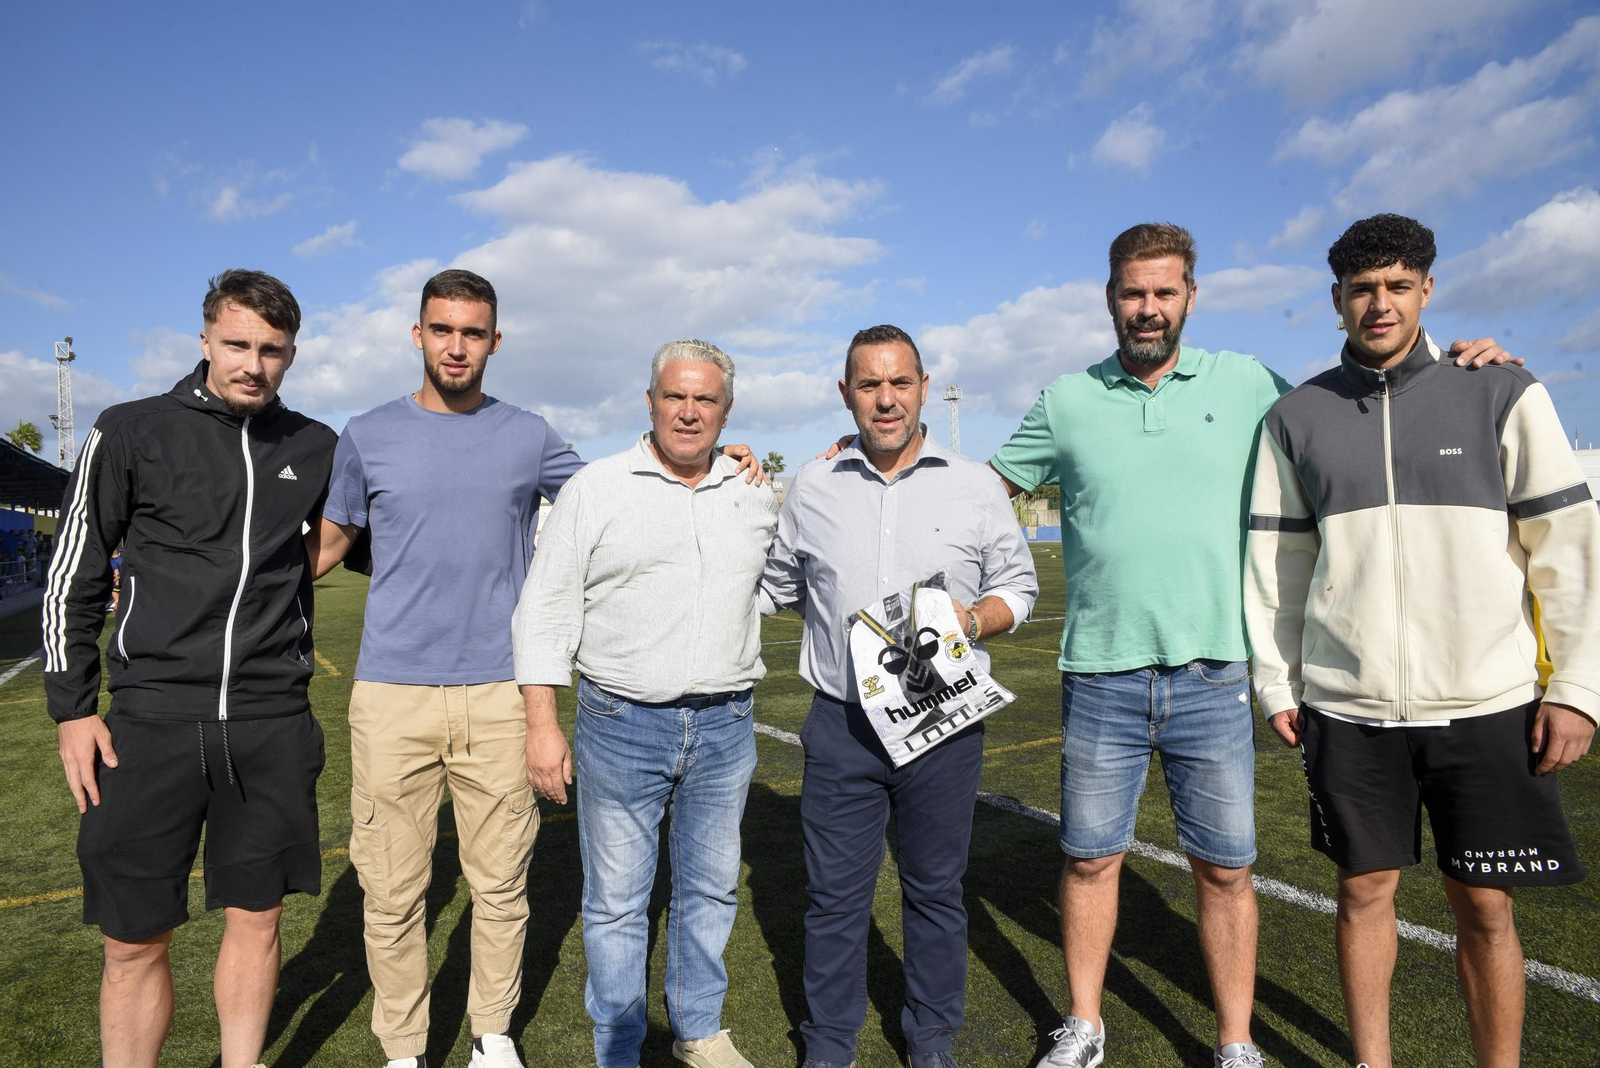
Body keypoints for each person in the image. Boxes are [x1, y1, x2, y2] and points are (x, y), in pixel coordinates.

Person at [986, 223, 1514, 1068]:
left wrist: (1461, 372)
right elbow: (985, 489)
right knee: (1089, 861)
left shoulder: (1248, 385)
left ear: (1191, 296)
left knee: (1225, 870)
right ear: (1110, 297)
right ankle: (1084, 1024)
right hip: (1099, 671)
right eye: (1133, 292)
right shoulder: (1065, 399)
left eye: (1164, 292)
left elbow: (1352, 407)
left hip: (1216, 671)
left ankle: (1235, 1041)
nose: (1147, 309)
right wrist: (879, 457)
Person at [308, 273, 765, 1068]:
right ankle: (403, 1050)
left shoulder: (529, 434)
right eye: (442, 329)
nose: (457, 345)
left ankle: (491, 1036)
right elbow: (328, 546)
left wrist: (718, 460)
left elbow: (624, 489)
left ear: (494, 340)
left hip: (499, 688)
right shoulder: (366, 434)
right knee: (391, 891)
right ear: (417, 335)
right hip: (390, 692)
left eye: (473, 331)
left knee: (500, 885)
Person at [1244, 213, 1596, 1068]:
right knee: (1363, 893)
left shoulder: (1503, 392)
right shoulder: (1295, 416)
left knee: (1485, 906)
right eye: (1362, 289)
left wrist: (1579, 687)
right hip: (1350, 706)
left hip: (1488, 702)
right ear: (1336, 300)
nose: (1380, 303)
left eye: (1398, 286)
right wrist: (1278, 682)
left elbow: (1568, 551)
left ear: (1427, 290)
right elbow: (1275, 568)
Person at [43, 269, 336, 1068]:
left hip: (270, 723)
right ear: (205, 339)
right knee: (134, 941)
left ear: (292, 354)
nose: (253, 363)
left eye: (272, 350)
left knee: (257, 919)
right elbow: (74, 571)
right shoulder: (130, 428)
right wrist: (72, 707)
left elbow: (393, 525)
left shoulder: (314, 446)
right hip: (148, 725)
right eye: (237, 344)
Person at [762, 324, 1039, 1068]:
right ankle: (828, 1045)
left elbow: (1020, 586)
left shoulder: (976, 483)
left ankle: (930, 1039)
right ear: (846, 393)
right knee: (834, 900)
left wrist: (974, 619)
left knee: (935, 892)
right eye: (868, 384)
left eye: (899, 382)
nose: (886, 399)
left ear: (922, 386)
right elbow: (781, 586)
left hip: (943, 725)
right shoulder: (814, 486)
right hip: (841, 726)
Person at [514, 339, 778, 1068]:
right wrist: (542, 726)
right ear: (651, 402)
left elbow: (779, 584)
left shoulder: (752, 490)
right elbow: (544, 612)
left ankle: (698, 1031)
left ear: (726, 410)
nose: (689, 412)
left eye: (706, 400)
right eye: (675, 397)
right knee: (617, 903)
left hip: (726, 725)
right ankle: (620, 1048)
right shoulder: (597, 487)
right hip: (621, 723)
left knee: (711, 891)